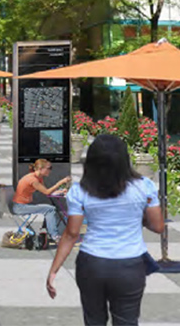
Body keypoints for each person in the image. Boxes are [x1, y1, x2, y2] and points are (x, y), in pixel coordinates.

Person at [46, 134, 164, 326]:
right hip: (130, 264)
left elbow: (71, 234)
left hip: (92, 263)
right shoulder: (145, 187)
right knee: (127, 321)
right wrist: (135, 217)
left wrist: (54, 270)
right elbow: (158, 226)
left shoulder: (79, 191)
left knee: (93, 321)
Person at [14, 159, 71, 240]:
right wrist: (60, 183)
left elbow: (46, 191)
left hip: (25, 204)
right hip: (20, 207)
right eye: (49, 168)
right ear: (40, 169)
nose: (50, 170)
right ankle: (54, 235)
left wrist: (60, 191)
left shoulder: (39, 177)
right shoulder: (33, 180)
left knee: (49, 208)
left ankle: (49, 231)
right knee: (50, 209)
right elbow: (47, 192)